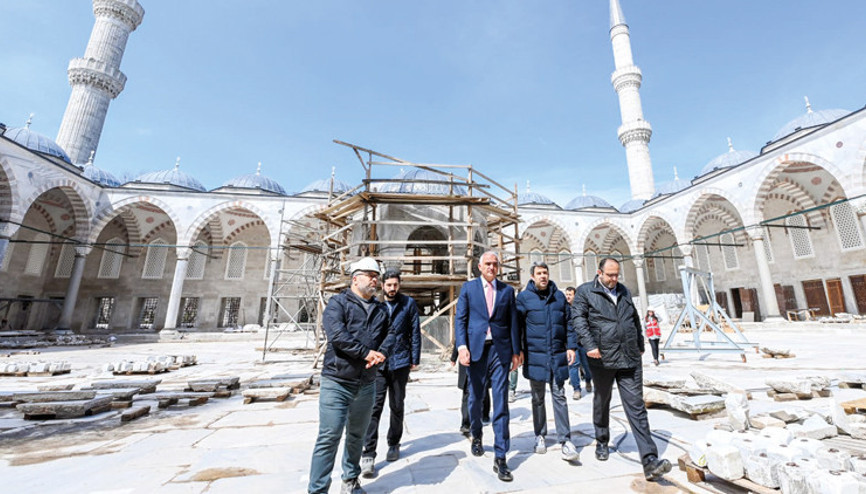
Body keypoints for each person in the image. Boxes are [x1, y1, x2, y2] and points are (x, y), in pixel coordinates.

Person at [571, 257, 672, 482]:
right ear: (599, 273)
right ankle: (602, 440)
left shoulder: (624, 291)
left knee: (636, 406)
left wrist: (640, 344)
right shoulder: (586, 292)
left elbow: (634, 318)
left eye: (617, 275)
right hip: (602, 358)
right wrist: (590, 345)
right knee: (602, 399)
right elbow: (578, 320)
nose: (614, 279)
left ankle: (650, 461)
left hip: (629, 357)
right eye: (610, 275)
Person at [308, 257, 395, 494]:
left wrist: (382, 354)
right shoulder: (338, 303)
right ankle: (318, 489)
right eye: (370, 275)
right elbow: (338, 335)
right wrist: (366, 353)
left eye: (376, 275)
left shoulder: (380, 309)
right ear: (355, 278)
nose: (375, 279)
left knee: (357, 435)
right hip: (338, 381)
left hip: (366, 383)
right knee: (329, 436)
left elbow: (391, 334)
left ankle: (351, 481)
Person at [455, 250, 521, 482]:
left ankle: (501, 456)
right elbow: (460, 319)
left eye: (495, 264)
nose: (492, 267)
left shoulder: (506, 291)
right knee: (475, 397)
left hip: (500, 351)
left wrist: (516, 351)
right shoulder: (469, 289)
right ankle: (476, 435)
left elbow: (513, 321)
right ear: (480, 267)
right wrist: (461, 346)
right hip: (476, 350)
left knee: (501, 400)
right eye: (488, 264)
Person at [516, 262, 580, 462]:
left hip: (556, 356)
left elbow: (569, 323)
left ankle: (565, 440)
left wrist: (571, 346)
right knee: (537, 398)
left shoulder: (559, 297)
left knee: (559, 396)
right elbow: (517, 327)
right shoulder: (524, 298)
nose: (543, 276)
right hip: (535, 356)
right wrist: (518, 351)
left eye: (545, 273)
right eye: (539, 273)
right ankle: (540, 435)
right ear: (532, 276)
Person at [360, 269, 421, 477]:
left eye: (395, 285)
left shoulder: (408, 304)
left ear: (399, 285)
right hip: (379, 362)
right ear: (382, 286)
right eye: (388, 285)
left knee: (397, 404)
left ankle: (394, 442)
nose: (392, 289)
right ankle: (368, 452)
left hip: (400, 360)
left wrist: (415, 358)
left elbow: (414, 330)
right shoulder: (375, 305)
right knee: (373, 407)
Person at [450, 345, 491, 436]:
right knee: (467, 392)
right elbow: (459, 340)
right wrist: (454, 357)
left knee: (483, 388)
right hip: (466, 359)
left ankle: (485, 413)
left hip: (483, 356)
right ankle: (466, 422)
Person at [565, 286, 592, 399]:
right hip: (570, 344)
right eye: (566, 294)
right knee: (573, 366)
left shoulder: (582, 308)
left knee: (587, 366)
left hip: (583, 342)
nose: (567, 297)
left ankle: (588, 380)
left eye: (570, 294)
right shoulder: (564, 309)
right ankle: (576, 389)